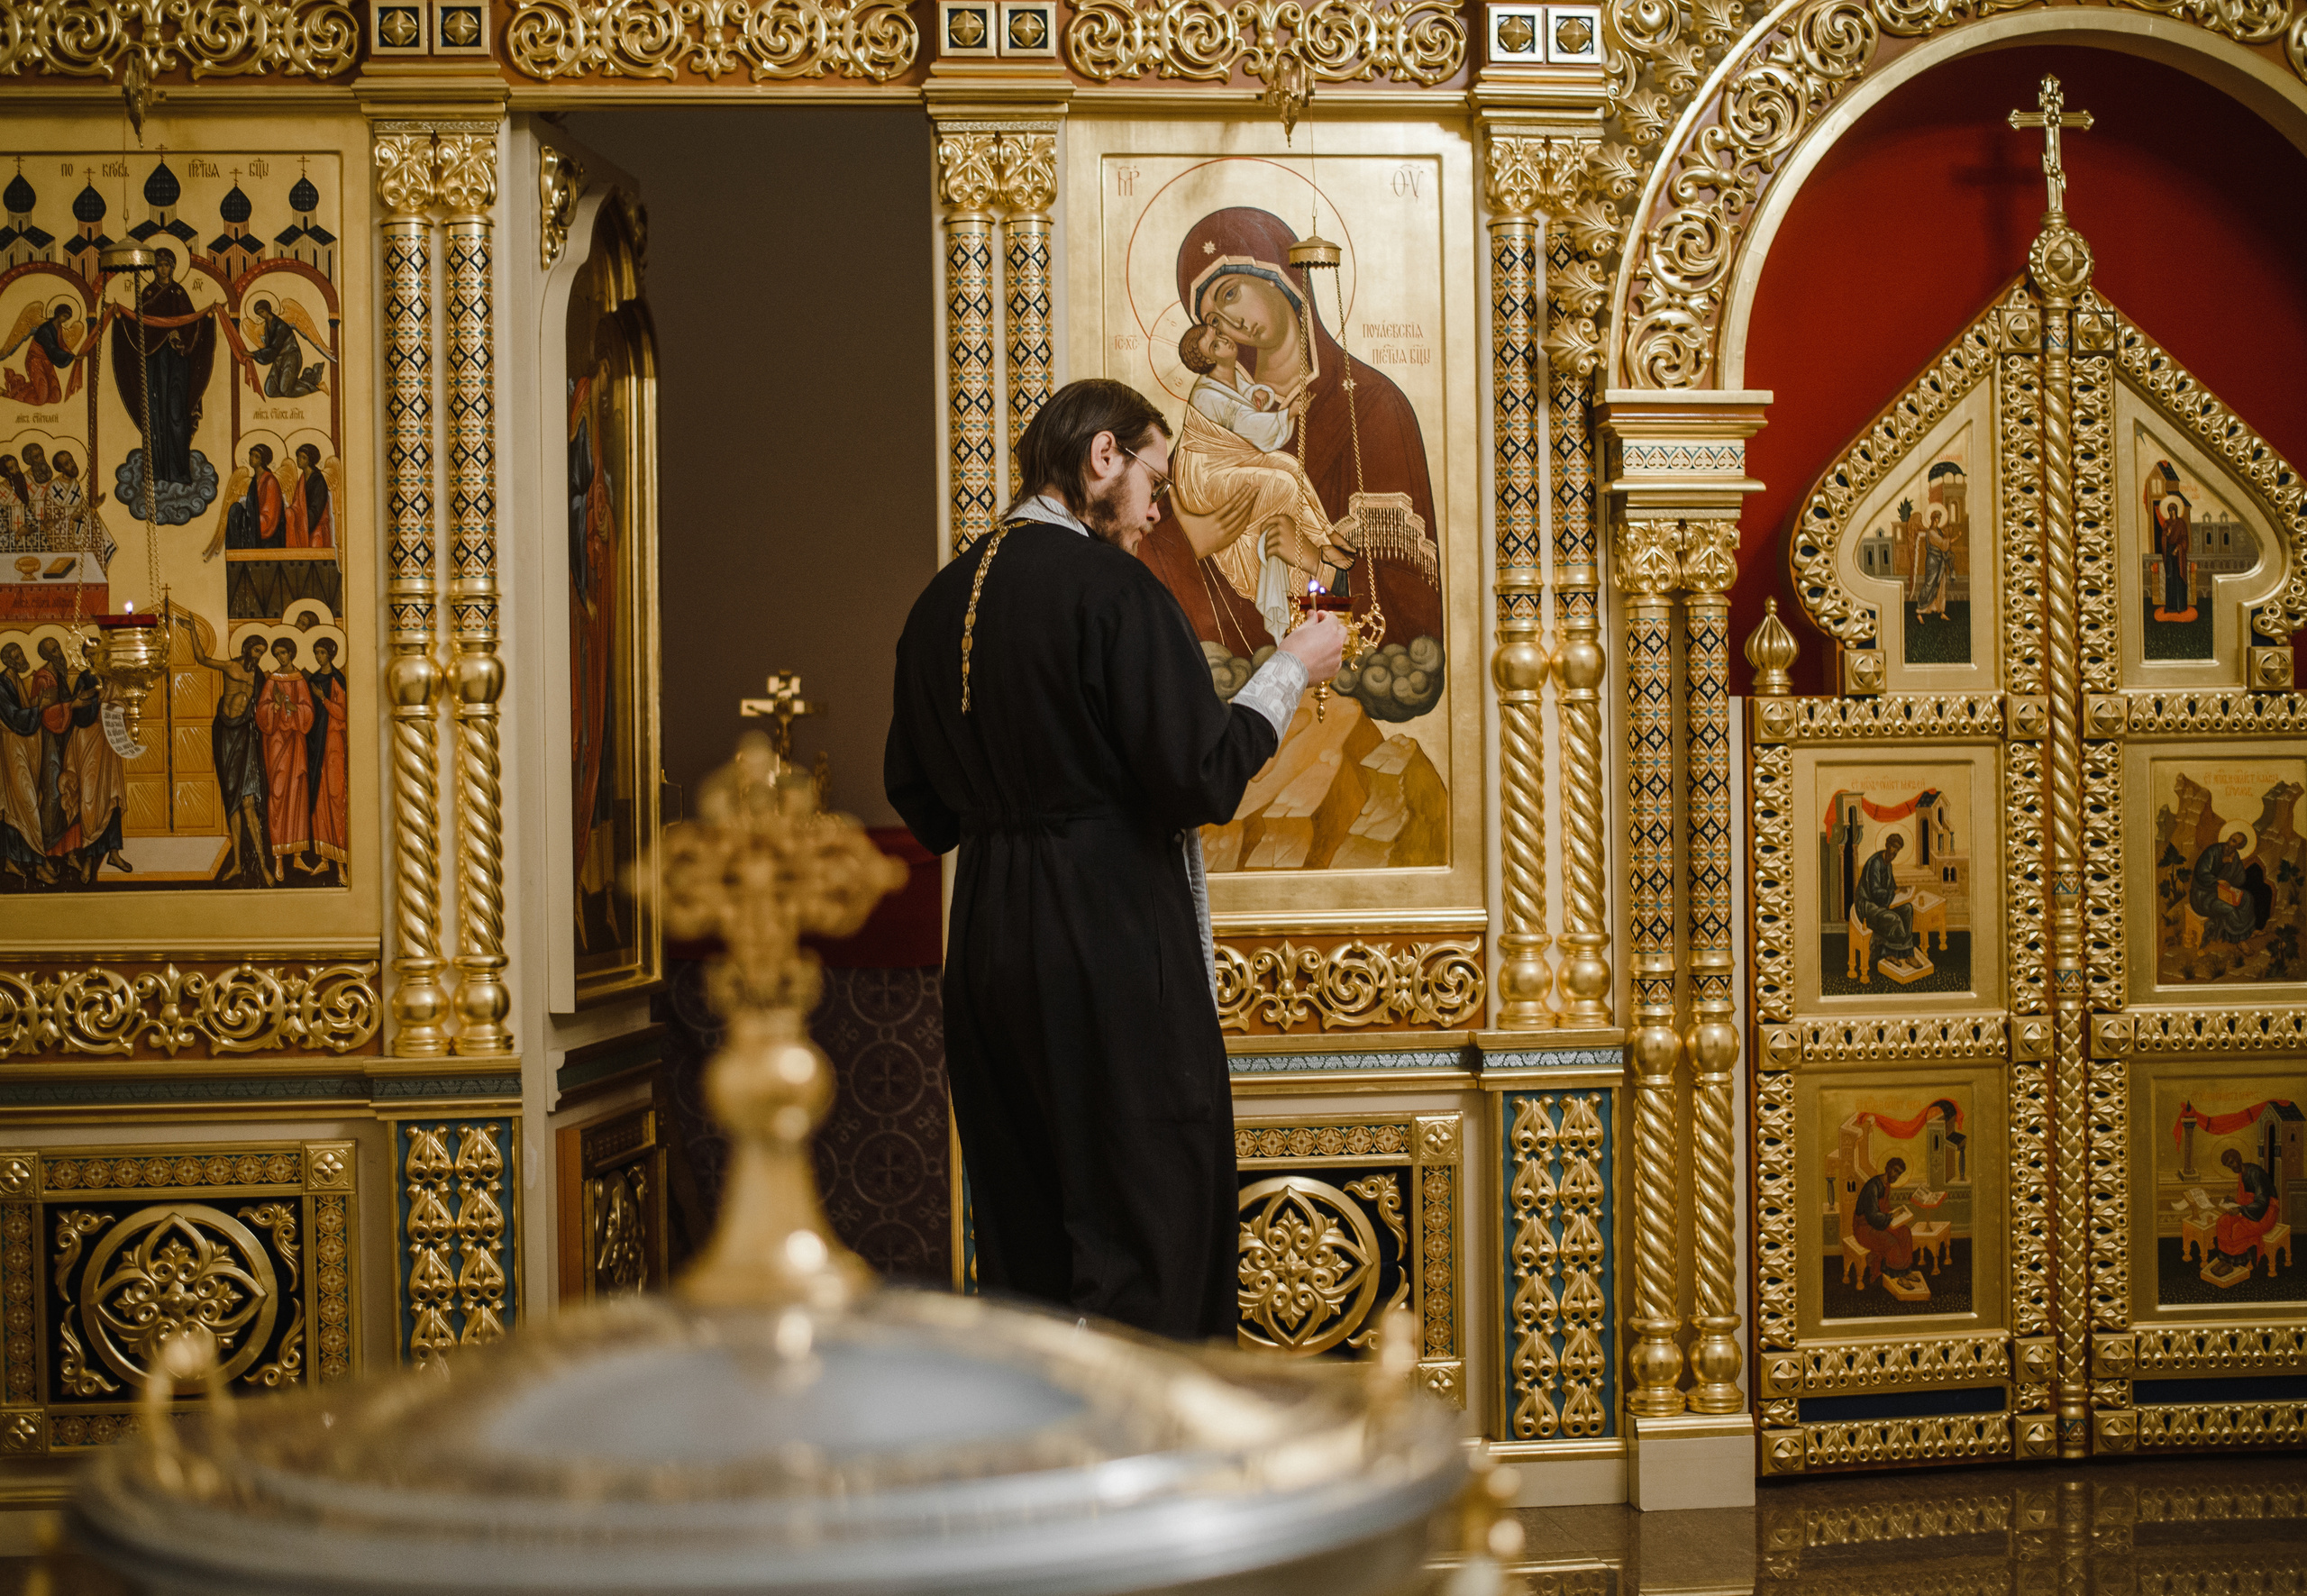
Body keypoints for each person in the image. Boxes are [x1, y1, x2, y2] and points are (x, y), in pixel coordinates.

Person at [885, 378, 1346, 1339]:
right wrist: (1290, 668)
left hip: (986, 943)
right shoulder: (1111, 590)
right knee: (1151, 1225)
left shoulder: (939, 602)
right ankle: (1160, 1478)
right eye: (1153, 476)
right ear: (1101, 456)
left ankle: (1050, 1474)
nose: (1155, 507)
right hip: (1106, 934)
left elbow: (921, 805)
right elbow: (1202, 777)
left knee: (1025, 1240)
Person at [1171, 321, 1351, 644]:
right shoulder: (1206, 394)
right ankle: (1324, 548)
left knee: (1289, 466)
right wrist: (1288, 414)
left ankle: (1326, 534)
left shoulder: (1229, 375)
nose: (1224, 340)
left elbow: (1246, 400)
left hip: (1232, 461)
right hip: (1207, 478)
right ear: (1210, 360)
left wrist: (1261, 396)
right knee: (1281, 486)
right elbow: (1247, 423)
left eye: (1218, 335)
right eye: (1215, 345)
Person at [110, 245, 214, 488]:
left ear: (173, 268)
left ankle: (179, 471)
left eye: (166, 264)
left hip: (177, 363)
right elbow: (138, 325)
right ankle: (155, 470)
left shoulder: (179, 293)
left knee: (176, 414)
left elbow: (191, 325)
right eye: (158, 264)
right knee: (154, 413)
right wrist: (121, 316)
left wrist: (183, 334)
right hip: (154, 361)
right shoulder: (147, 293)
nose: (162, 268)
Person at [178, 619, 271, 884]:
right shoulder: (230, 666)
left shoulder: (259, 677)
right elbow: (201, 658)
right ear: (247, 649)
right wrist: (193, 631)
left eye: (262, 652)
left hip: (244, 734)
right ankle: (238, 865)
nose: (259, 655)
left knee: (248, 802)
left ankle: (263, 865)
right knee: (231, 800)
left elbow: (265, 706)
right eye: (257, 650)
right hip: (224, 733)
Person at [254, 637, 314, 878]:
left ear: (292, 653)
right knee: (277, 795)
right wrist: (276, 708)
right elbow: (262, 713)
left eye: (284, 653)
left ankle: (297, 856)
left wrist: (292, 708)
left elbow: (308, 713)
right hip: (277, 744)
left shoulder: (299, 680)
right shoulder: (272, 681)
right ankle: (278, 858)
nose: (280, 658)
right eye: (277, 654)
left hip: (296, 745)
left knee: (297, 795)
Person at [303, 636, 350, 878]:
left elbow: (343, 713)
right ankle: (324, 858)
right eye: (316, 652)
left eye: (322, 652)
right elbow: (308, 712)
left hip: (333, 744)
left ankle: (340, 864)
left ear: (330, 654)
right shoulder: (312, 680)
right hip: (316, 747)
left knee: (336, 798)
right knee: (319, 801)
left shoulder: (336, 680)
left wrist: (323, 699)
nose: (318, 656)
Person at [2206, 1145, 2279, 1287]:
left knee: (2239, 1228)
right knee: (2223, 1222)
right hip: (2249, 1209)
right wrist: (2234, 1202)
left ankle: (2234, 1261)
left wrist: (2240, 1208)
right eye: (2229, 1166)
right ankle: (2225, 1259)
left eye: (2232, 1162)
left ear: (2239, 1159)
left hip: (2266, 1213)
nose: (2232, 1167)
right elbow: (2245, 1199)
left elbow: (2262, 1202)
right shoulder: (2241, 1174)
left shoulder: (2255, 1173)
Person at [1853, 1155, 1926, 1295]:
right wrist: (1891, 1217)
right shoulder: (1873, 1186)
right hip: (1865, 1227)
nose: (1897, 1175)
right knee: (1890, 1241)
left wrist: (1897, 1215)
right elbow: (1872, 1216)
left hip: (1880, 1221)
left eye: (1899, 1173)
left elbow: (1884, 1209)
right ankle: (1897, 1275)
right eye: (1895, 1171)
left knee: (1905, 1232)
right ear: (1888, 1168)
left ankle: (1906, 1271)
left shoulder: (1886, 1184)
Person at [1853, 831, 1923, 971]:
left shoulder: (1888, 864)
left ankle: (1909, 955)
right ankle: (1889, 953)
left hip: (1881, 903)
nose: (1895, 851)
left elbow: (1891, 888)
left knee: (1908, 909)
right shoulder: (1875, 863)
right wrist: (1894, 893)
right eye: (1894, 847)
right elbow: (1876, 892)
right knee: (1895, 920)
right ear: (1887, 845)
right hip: (1867, 905)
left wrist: (1903, 891)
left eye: (1898, 849)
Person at [2190, 825, 2261, 944]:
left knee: (2247, 898)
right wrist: (2218, 878)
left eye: (2234, 842)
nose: (2229, 842)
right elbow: (2201, 874)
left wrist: (2231, 864)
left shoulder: (2234, 856)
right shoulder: (2212, 851)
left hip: (2221, 892)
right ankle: (2240, 940)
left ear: (2239, 847)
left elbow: (2240, 880)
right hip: (2202, 895)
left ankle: (2249, 931)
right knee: (2229, 909)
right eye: (2230, 838)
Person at [2, 303, 83, 406]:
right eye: (64, 316)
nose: (65, 320)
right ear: (58, 314)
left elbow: (62, 346)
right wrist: (72, 357)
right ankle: (12, 393)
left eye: (67, 318)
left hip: (47, 362)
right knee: (40, 400)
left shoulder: (58, 329)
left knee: (55, 397)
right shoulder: (45, 329)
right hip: (35, 362)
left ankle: (22, 388)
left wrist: (74, 356)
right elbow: (52, 349)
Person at [247, 300, 326, 398]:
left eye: (262, 312)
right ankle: (296, 383)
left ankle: (317, 387)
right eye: (259, 314)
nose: (261, 315)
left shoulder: (280, 325)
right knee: (270, 390)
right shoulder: (267, 326)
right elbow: (270, 347)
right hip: (279, 358)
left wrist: (253, 354)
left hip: (291, 357)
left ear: (268, 310)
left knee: (285, 390)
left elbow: (274, 348)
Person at [223, 443, 285, 550]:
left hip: (267, 530)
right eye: (251, 455)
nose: (251, 458)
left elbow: (269, 516)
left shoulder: (270, 481)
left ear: (262, 460)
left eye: (256, 456)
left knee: (237, 512)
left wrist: (249, 520)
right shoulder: (254, 481)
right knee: (235, 509)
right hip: (255, 522)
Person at [282, 444, 333, 548]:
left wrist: (302, 522)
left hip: (316, 527)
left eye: (303, 457)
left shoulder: (318, 480)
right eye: (298, 456)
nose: (299, 460)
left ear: (310, 460)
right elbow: (297, 503)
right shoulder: (302, 479)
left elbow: (317, 508)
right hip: (304, 524)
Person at [1910, 509, 1954, 621]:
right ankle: (1920, 611)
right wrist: (1956, 538)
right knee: (1929, 584)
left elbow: (1943, 543)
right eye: (1937, 518)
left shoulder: (1939, 531)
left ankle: (1941, 611)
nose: (1938, 520)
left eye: (1939, 517)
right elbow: (1943, 544)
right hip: (1933, 561)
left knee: (1941, 584)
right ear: (1934, 519)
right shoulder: (1931, 532)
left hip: (1940, 560)